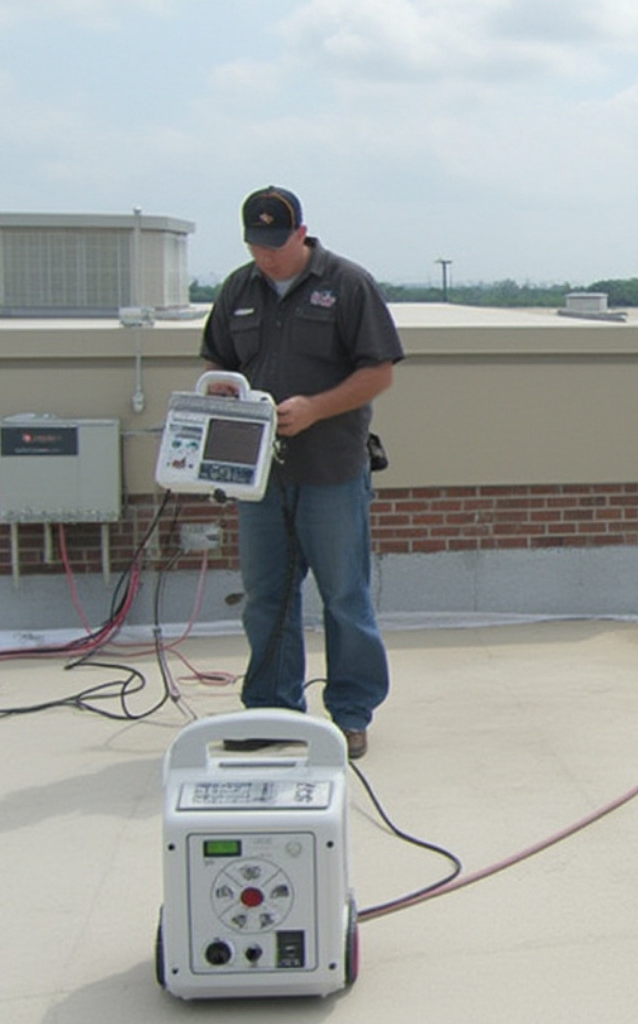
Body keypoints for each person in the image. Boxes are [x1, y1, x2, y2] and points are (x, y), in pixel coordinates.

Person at [200, 186, 404, 760]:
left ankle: (350, 713)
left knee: (344, 596)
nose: (266, 256)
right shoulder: (238, 289)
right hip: (258, 472)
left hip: (331, 468)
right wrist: (221, 382)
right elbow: (217, 357)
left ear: (300, 233)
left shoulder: (346, 284)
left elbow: (379, 372)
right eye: (255, 244)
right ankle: (271, 709)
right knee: (266, 595)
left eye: (275, 243)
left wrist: (315, 407)